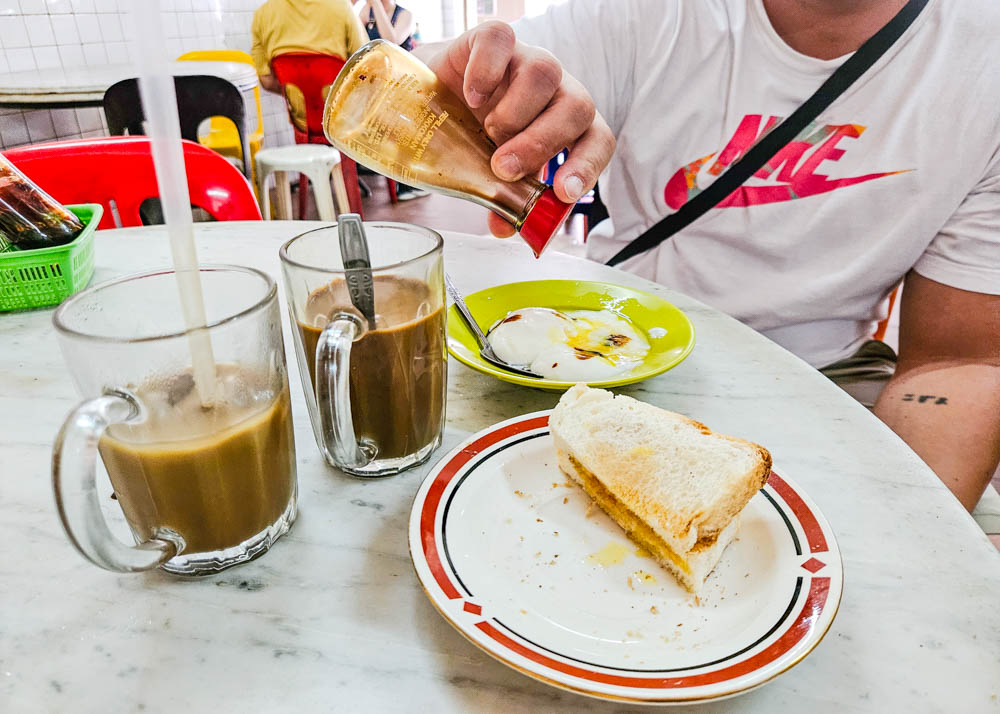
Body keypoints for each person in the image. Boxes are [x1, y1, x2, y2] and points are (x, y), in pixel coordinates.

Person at [417, 0, 1000, 516]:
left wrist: (910, 536)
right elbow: (410, 85)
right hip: (616, 347)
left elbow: (958, 362)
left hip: (832, 376)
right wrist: (451, 88)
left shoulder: (983, 64)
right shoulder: (644, 16)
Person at [357, 0, 429, 201]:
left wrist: (377, 8)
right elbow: (359, 43)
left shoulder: (405, 15)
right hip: (378, 83)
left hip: (403, 83)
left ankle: (409, 183)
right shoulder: (366, 12)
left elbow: (392, 42)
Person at [251, 0, 368, 122]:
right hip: (345, 125)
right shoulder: (341, 7)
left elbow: (267, 81)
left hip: (303, 128)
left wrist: (297, 93)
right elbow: (367, 63)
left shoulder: (263, 15)